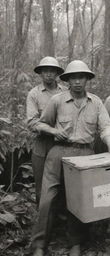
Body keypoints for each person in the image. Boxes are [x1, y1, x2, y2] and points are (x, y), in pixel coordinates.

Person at [31, 60, 110, 256]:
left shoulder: (96, 102)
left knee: (78, 199)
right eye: (73, 77)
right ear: (68, 80)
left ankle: (75, 243)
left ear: (87, 79)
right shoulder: (57, 100)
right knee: (47, 199)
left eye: (81, 77)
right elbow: (39, 124)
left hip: (85, 154)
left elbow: (106, 126)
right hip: (58, 152)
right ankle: (39, 245)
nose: (77, 81)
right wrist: (54, 130)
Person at [26, 56, 66, 205]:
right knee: (42, 186)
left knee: (62, 183)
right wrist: (53, 131)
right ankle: (44, 220)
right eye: (45, 71)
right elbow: (31, 122)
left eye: (52, 71)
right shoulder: (34, 94)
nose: (49, 74)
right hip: (42, 145)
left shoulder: (66, 91)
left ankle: (60, 220)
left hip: (63, 145)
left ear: (57, 74)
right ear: (40, 73)